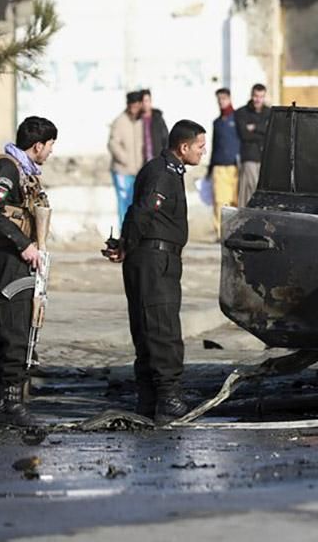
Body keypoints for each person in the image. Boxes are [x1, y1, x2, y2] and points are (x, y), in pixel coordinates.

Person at [104, 120, 206, 424]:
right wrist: (127, 245)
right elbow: (143, 211)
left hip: (154, 258)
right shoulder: (163, 172)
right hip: (154, 260)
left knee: (150, 328)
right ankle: (168, 398)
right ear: (183, 147)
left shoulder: (168, 170)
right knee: (162, 330)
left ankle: (150, 399)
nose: (203, 152)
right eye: (200, 146)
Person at [0, 116, 56, 429]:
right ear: (38, 145)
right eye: (49, 146)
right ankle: (11, 403)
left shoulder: (23, 171)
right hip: (9, 259)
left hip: (16, 258)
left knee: (6, 328)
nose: (50, 152)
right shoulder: (8, 168)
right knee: (15, 330)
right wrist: (24, 244)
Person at [108, 91, 145, 224]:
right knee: (124, 202)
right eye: (132, 105)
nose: (135, 109)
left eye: (137, 105)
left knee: (136, 202)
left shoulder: (142, 122)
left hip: (138, 170)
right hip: (122, 170)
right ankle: (123, 230)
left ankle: (133, 230)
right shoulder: (119, 121)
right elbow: (113, 144)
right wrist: (124, 159)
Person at [208, 88, 239, 235]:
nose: (221, 102)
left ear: (230, 98)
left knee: (235, 201)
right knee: (220, 201)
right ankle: (220, 233)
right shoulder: (217, 122)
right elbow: (214, 145)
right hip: (219, 167)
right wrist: (210, 168)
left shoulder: (238, 118)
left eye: (224, 98)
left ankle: (235, 231)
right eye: (219, 99)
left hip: (236, 167)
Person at [235, 84, 270, 208]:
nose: (258, 99)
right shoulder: (241, 112)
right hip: (249, 157)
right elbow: (244, 135)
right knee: (248, 193)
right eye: (256, 96)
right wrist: (263, 131)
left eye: (261, 96)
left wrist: (255, 127)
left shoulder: (269, 112)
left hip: (265, 158)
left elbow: (272, 134)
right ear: (251, 95)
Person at [140, 89, 169, 161]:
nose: (144, 104)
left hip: (157, 159)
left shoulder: (158, 118)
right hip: (141, 161)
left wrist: (165, 157)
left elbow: (165, 138)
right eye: (142, 101)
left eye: (146, 101)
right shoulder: (137, 120)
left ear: (150, 101)